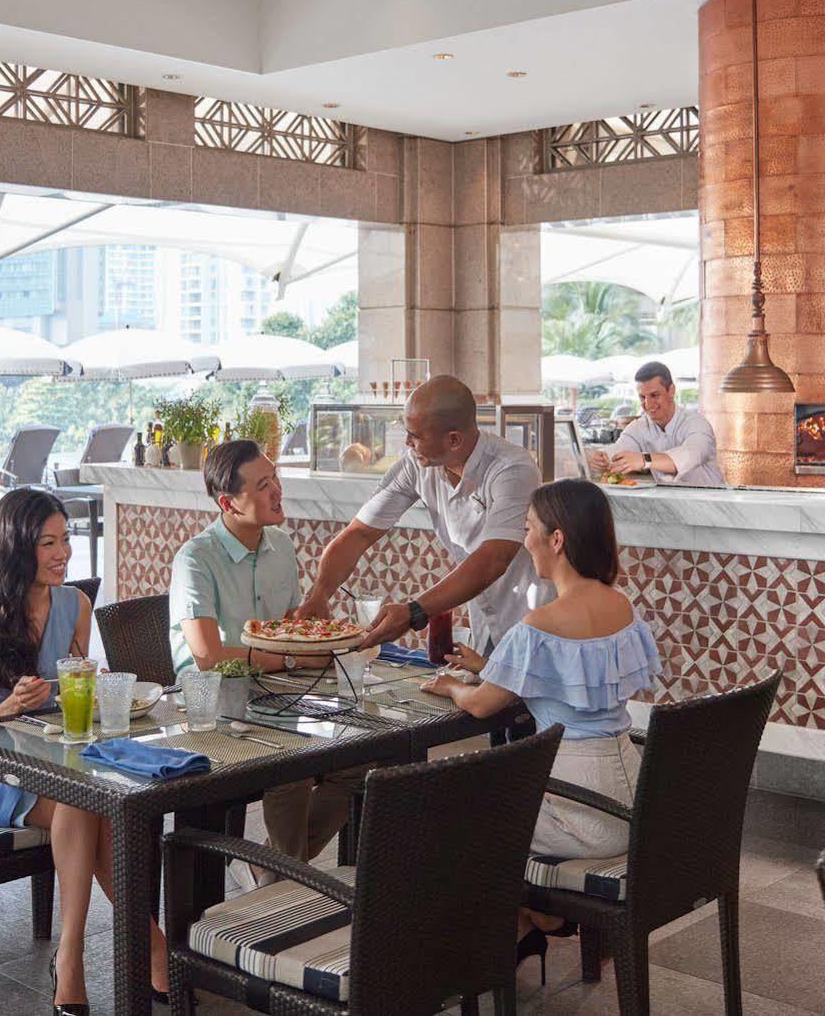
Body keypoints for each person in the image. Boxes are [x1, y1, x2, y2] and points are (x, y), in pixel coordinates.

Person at [424, 478, 660, 965]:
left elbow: (482, 705)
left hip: (578, 809)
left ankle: (512, 928)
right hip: (633, 799)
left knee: (448, 813)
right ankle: (534, 917)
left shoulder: (539, 626)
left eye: (529, 527)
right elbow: (570, 676)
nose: (524, 539)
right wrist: (484, 665)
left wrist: (452, 686)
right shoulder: (621, 606)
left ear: (557, 540)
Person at [0, 487, 167, 1014]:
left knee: (98, 802)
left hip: (56, 755)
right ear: (15, 547)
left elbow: (79, 688)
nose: (62, 553)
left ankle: (98, 952)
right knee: (87, 801)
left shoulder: (75, 604)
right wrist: (11, 707)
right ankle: (113, 953)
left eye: (65, 539)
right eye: (47, 542)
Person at [168, 440, 353, 865]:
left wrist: (320, 636)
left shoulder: (281, 546)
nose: (277, 492)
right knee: (294, 763)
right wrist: (293, 659)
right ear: (228, 503)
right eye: (264, 484)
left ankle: (272, 868)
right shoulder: (195, 559)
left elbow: (291, 630)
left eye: (276, 479)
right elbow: (209, 659)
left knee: (362, 760)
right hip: (210, 708)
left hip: (278, 696)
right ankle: (282, 884)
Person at [301, 375, 548, 654]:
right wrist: (319, 594)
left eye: (415, 436)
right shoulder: (415, 465)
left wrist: (414, 611)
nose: (406, 442)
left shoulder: (511, 468)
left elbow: (494, 558)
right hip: (484, 618)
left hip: (534, 619)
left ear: (454, 440)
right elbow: (359, 533)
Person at [585, 360, 725, 486]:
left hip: (712, 505)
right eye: (642, 397)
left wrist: (644, 459)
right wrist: (601, 459)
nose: (648, 404)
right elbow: (618, 450)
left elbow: (689, 455)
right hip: (670, 505)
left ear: (671, 390)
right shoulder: (639, 427)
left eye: (654, 395)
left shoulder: (697, 423)